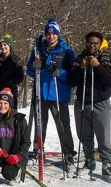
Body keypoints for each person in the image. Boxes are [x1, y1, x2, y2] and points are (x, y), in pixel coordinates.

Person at [68, 32, 111, 184]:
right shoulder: (79, 59)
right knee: (84, 134)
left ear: (101, 43)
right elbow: (71, 81)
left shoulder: (109, 59)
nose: (92, 45)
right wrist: (81, 68)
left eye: (95, 43)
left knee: (103, 135)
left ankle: (107, 164)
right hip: (82, 102)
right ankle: (89, 160)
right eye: (89, 42)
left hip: (100, 102)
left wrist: (97, 66)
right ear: (86, 43)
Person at [26, 18, 76, 170]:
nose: (50, 36)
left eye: (53, 33)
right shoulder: (38, 50)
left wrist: (60, 73)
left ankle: (68, 155)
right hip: (41, 95)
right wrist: (33, 67)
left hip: (59, 95)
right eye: (48, 33)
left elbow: (73, 75)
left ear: (58, 35)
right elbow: (29, 71)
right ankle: (37, 151)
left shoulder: (66, 52)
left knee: (63, 126)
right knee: (40, 126)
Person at [0, 34, 24, 110]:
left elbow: (20, 77)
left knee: (11, 113)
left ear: (9, 46)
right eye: (1, 45)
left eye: (5, 44)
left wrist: (11, 82)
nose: (3, 47)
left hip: (10, 91)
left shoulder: (16, 60)